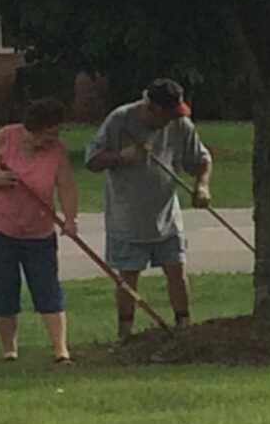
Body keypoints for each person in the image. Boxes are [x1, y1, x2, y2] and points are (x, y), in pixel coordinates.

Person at [85, 78, 213, 339]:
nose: (171, 120)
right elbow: (92, 160)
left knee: (176, 269)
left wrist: (202, 186)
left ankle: (184, 325)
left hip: (166, 215)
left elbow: (202, 159)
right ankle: (125, 332)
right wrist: (125, 155)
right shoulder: (120, 120)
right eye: (167, 114)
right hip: (127, 218)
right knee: (128, 277)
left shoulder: (180, 124)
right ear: (151, 107)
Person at [0, 97, 78, 365]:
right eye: (51, 132)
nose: (55, 138)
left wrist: (70, 219)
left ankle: (60, 350)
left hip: (38, 231)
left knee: (47, 287)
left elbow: (66, 186)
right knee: (2, 288)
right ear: (34, 129)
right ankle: (9, 350)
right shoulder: (7, 137)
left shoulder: (57, 152)